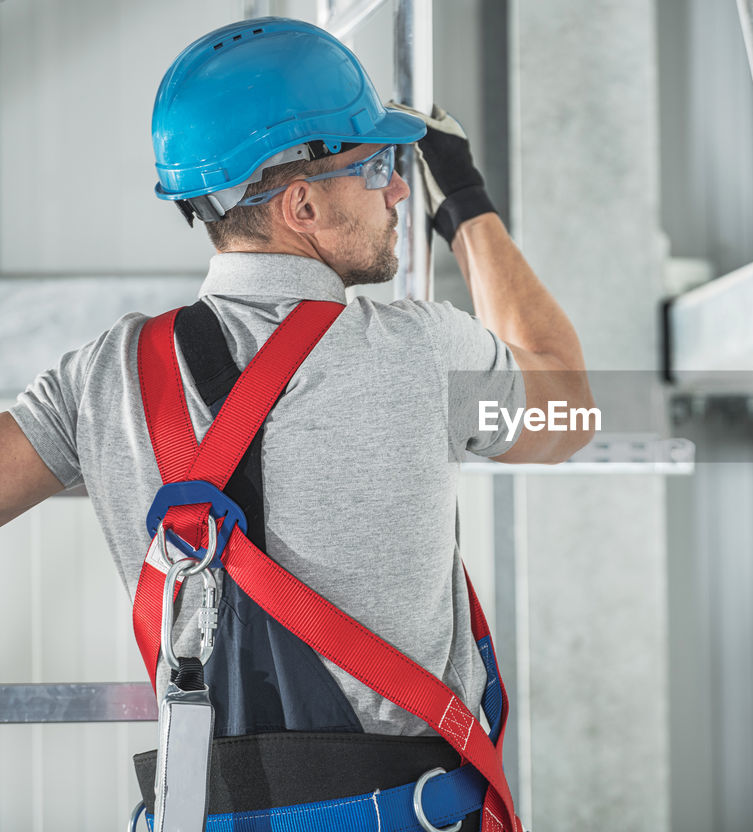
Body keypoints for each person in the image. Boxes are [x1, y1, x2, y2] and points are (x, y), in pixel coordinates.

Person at [0, 16, 590, 832]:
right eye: (379, 165)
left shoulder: (104, 374)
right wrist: (465, 201)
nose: (395, 191)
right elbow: (571, 411)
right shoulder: (419, 353)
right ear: (303, 203)